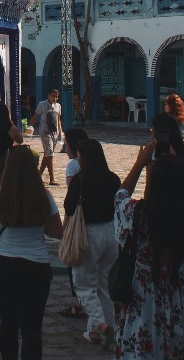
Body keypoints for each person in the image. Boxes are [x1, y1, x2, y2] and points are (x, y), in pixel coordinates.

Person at [114, 139, 184, 360]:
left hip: (144, 289)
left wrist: (141, 165)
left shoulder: (139, 214)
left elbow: (120, 196)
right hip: (176, 286)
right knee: (175, 344)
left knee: (142, 343)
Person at [0, 146, 63, 360]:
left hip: (4, 265)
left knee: (8, 322)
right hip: (37, 266)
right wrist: (35, 223)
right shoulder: (44, 196)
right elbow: (58, 232)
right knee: (32, 327)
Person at [66, 139, 121, 345]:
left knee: (84, 286)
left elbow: (69, 206)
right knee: (103, 286)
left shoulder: (81, 180)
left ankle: (100, 324)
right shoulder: (113, 178)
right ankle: (98, 332)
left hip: (89, 233)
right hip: (111, 233)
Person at [57, 128, 90, 319]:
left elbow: (72, 198)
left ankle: (80, 303)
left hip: (78, 220)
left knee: (75, 263)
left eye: (66, 144)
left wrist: (64, 226)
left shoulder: (72, 166)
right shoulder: (96, 164)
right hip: (98, 221)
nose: (65, 147)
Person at [32, 89, 64, 185]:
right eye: (53, 96)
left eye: (56, 96)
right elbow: (35, 116)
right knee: (49, 153)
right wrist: (30, 125)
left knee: (48, 155)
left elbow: (58, 120)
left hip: (55, 133)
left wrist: (61, 132)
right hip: (45, 132)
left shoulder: (58, 106)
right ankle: (49, 178)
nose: (55, 98)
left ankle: (42, 177)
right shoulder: (42, 104)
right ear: (49, 95)